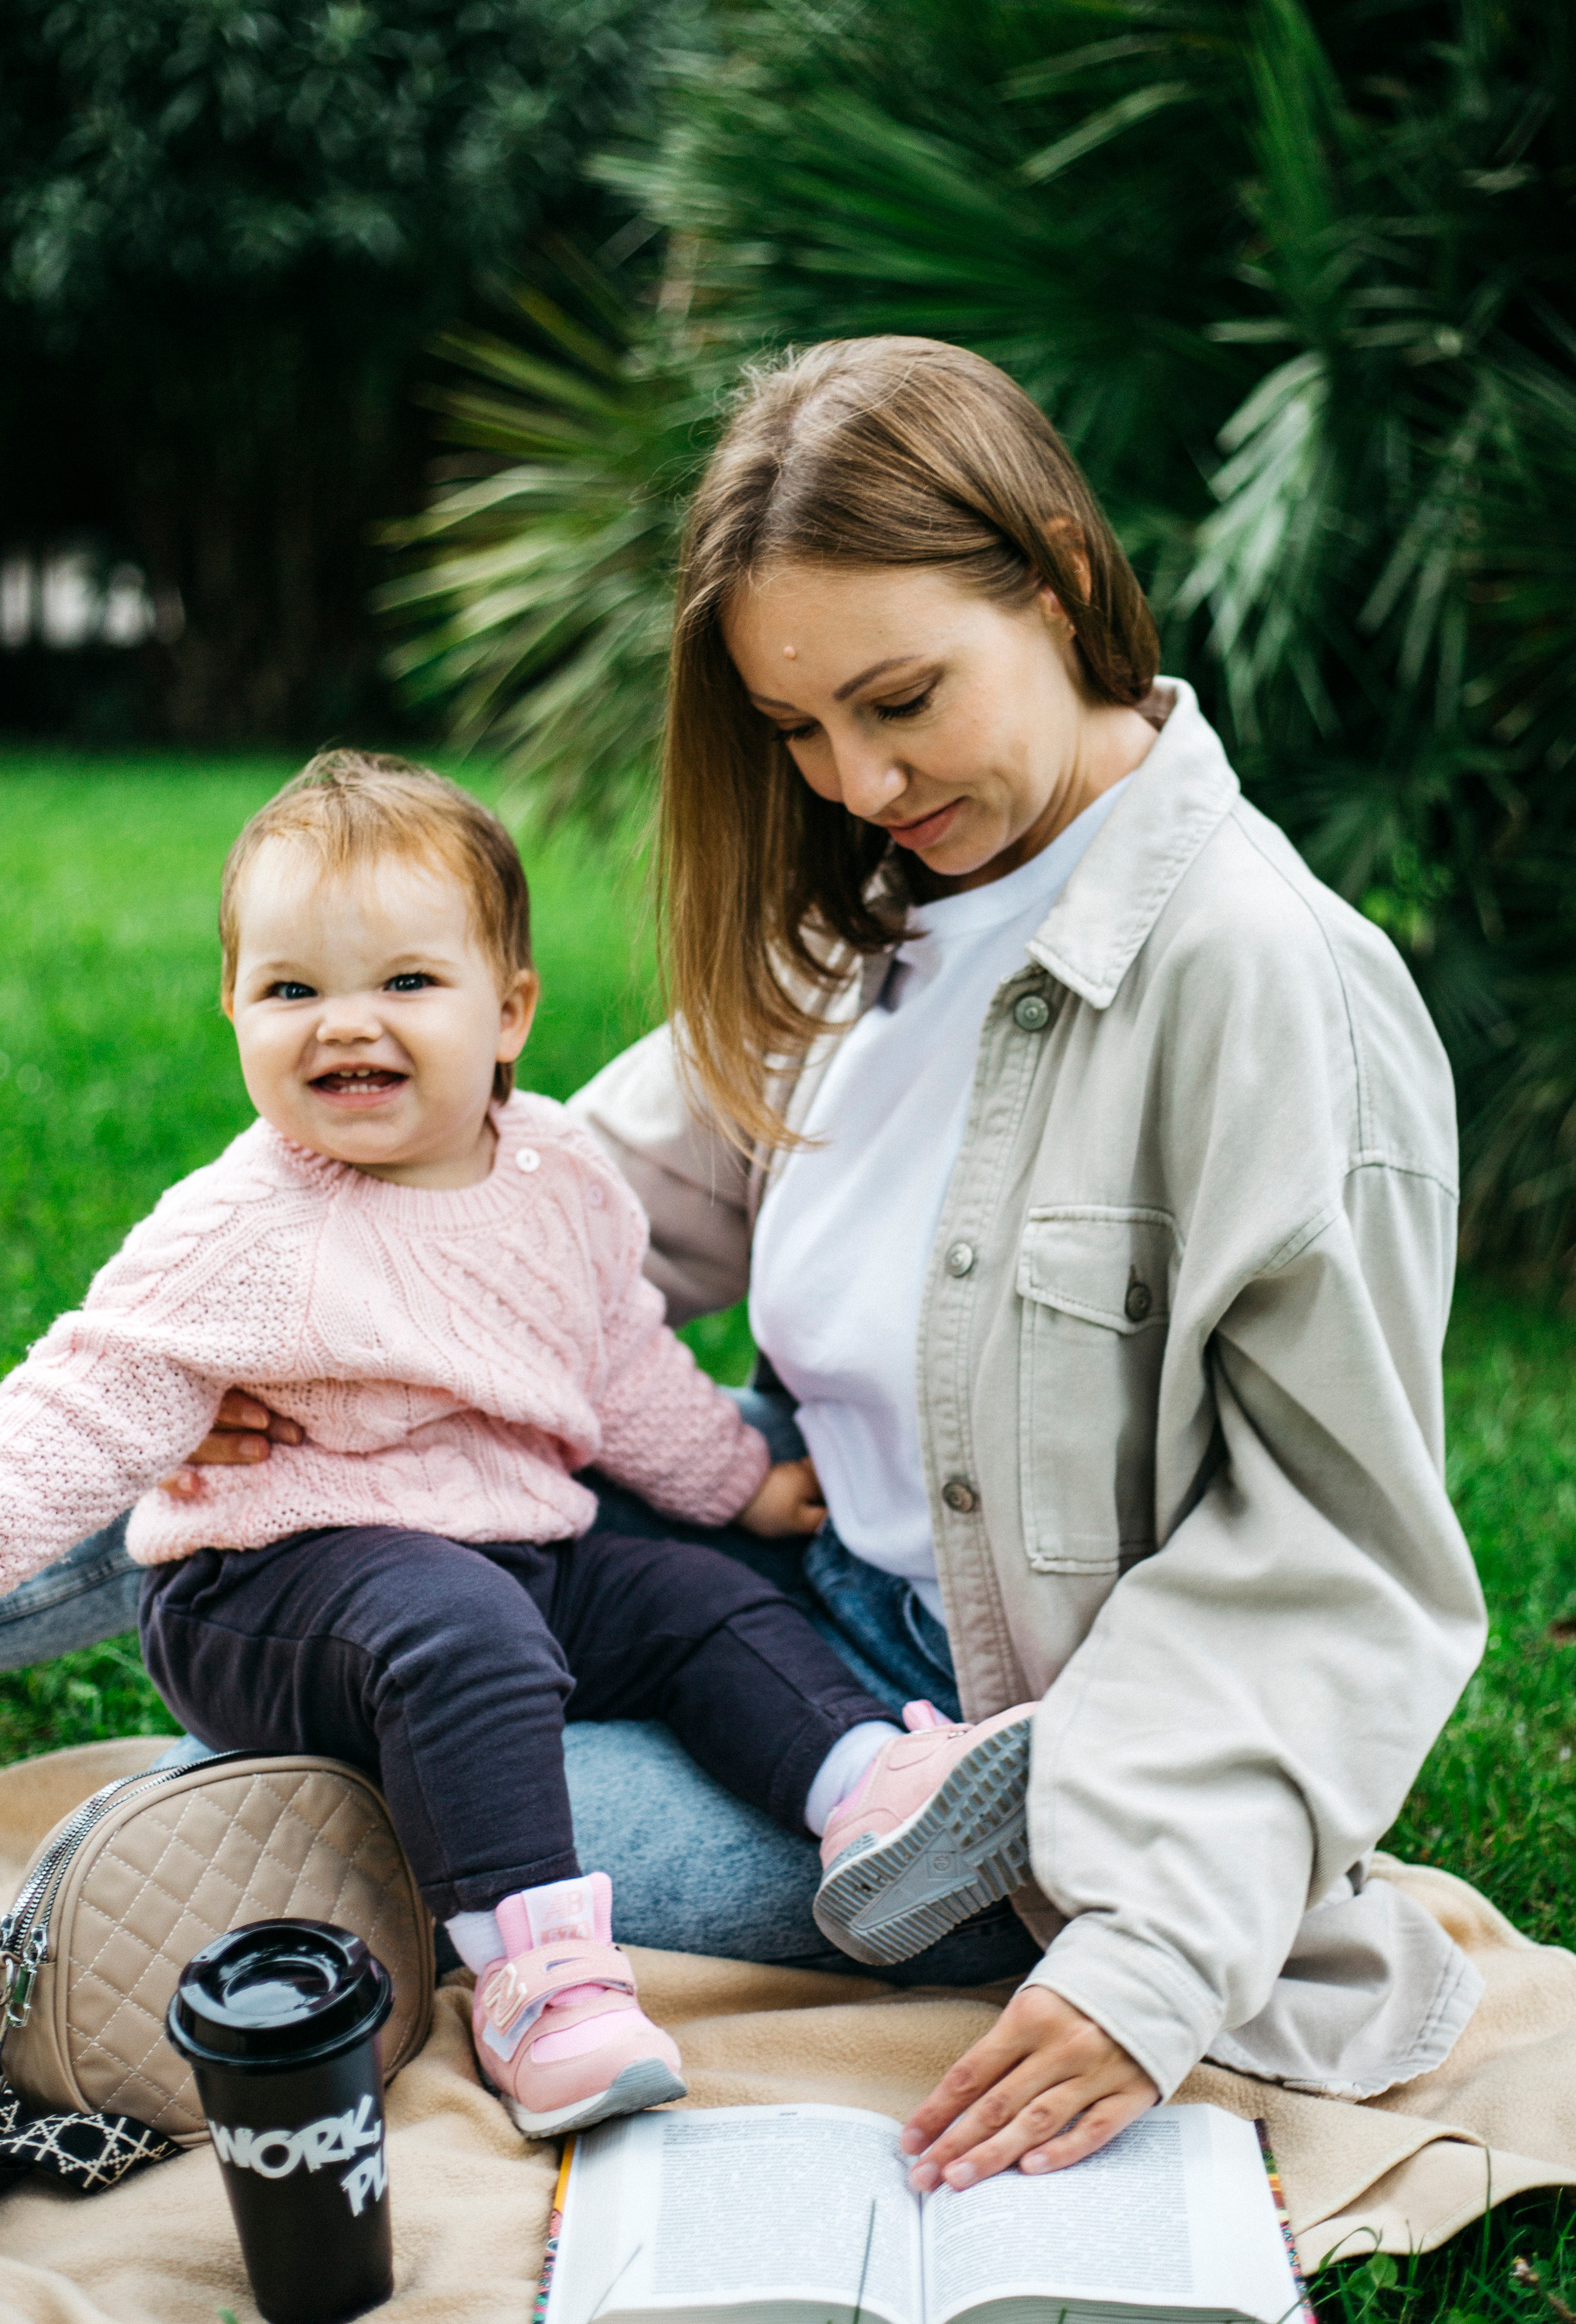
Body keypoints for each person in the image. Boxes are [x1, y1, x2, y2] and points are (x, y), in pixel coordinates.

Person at [8, 337, 1487, 2198]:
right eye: (794, 728)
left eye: (900, 700)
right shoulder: (865, 919)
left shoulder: (1271, 988)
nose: (855, 779)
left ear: (1058, 578)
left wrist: (1151, 1964)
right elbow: (535, 1207)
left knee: (415, 1791)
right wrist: (284, 1342)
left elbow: (1344, 1561)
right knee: (290, 1449)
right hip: (756, 1558)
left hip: (976, 1742)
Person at [0, 752, 1035, 2137]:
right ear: (233, 1010)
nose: (345, 1022)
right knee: (462, 1628)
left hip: (506, 1547)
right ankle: (541, 1985)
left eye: (405, 981)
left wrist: (741, 1485)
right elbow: (71, 1414)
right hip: (266, 1593)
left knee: (690, 1597)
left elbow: (623, 1368)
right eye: (292, 990)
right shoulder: (241, 1230)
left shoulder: (557, 1177)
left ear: (510, 1011)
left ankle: (868, 1786)